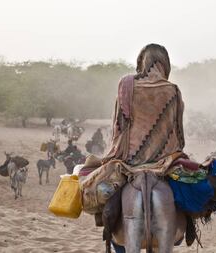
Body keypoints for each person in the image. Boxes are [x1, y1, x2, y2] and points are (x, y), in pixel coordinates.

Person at [81, 44, 187, 252]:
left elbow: (118, 127)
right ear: (165, 64)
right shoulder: (173, 90)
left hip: (128, 163)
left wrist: (117, 154)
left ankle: (110, 232)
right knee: (188, 194)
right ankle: (184, 229)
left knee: (97, 191)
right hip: (164, 163)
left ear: (141, 63)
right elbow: (179, 134)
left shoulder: (126, 84)